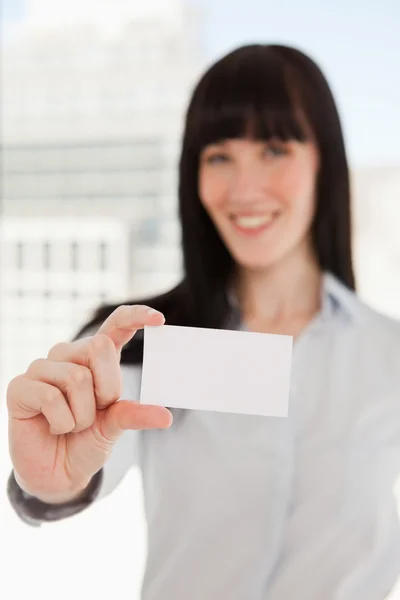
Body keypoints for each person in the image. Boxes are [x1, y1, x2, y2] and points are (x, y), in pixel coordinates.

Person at [6, 43, 400, 599]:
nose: (243, 189)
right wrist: (51, 486)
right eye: (219, 156)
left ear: (324, 161)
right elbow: (79, 464)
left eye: (273, 148)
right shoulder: (138, 339)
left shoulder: (389, 354)